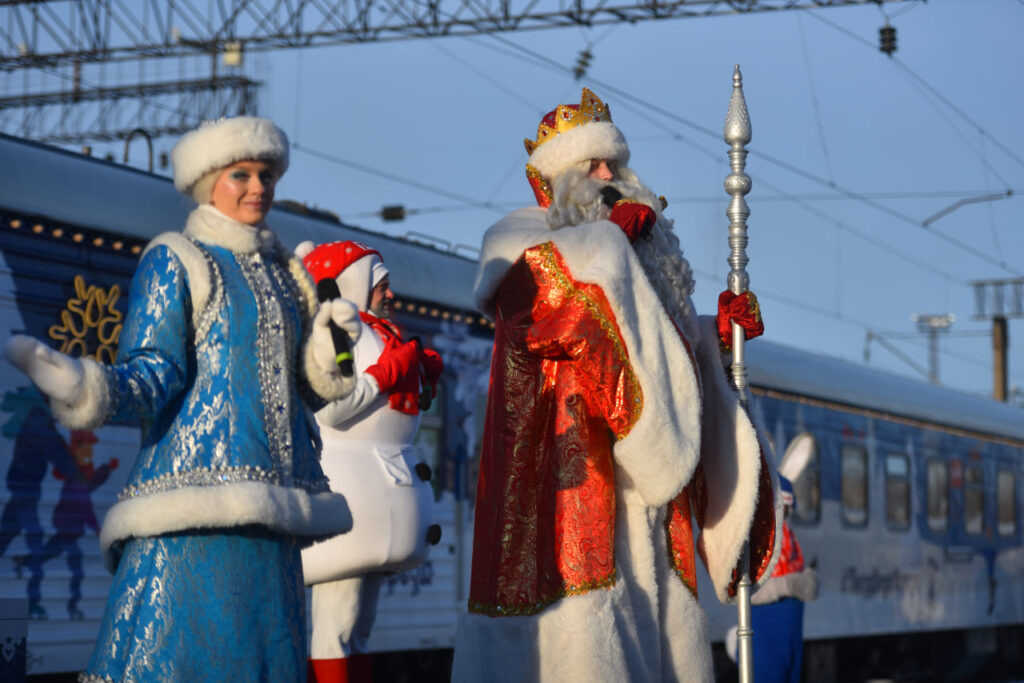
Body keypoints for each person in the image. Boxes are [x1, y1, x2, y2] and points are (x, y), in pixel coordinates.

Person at [4, 116, 359, 681]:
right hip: (194, 514)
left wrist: (327, 353)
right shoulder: (178, 258)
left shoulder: (285, 274)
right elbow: (153, 372)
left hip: (273, 521)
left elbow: (300, 396)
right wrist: (86, 387)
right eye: (241, 174)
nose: (258, 187)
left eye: (266, 175)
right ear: (207, 180)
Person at [451, 88, 782, 682]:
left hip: (650, 505)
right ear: (554, 183)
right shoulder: (520, 256)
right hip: (574, 500)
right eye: (593, 165)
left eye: (615, 163)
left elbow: (650, 345)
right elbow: (568, 315)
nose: (610, 176)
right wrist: (611, 246)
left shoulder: (623, 254)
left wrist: (712, 334)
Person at [299, 240, 443, 683]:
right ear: (353, 284)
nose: (390, 294)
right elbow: (328, 409)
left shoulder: (381, 333)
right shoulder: (334, 332)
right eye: (382, 285)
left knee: (361, 630)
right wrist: (385, 376)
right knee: (336, 627)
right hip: (349, 496)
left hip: (381, 492)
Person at [749, 476, 818, 683]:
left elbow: (801, 575)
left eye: (785, 510)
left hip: (789, 635)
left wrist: (806, 582)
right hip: (767, 635)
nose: (782, 515)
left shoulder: (788, 536)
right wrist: (790, 585)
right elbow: (748, 591)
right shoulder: (757, 539)